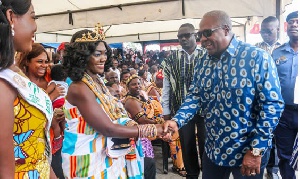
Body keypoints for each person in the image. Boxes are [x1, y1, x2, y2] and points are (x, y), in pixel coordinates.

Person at [163, 10, 284, 179]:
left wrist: (256, 150)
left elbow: (272, 106)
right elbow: (195, 96)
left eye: (207, 33)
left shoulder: (257, 58)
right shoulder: (203, 61)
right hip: (214, 150)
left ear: (226, 30)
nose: (203, 39)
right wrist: (177, 120)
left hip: (248, 151)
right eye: (200, 34)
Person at [62, 28, 164, 178]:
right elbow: (108, 129)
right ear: (81, 57)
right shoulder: (79, 88)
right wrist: (153, 130)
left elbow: (115, 114)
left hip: (108, 154)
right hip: (87, 159)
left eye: (105, 53)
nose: (103, 58)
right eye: (97, 54)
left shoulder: (98, 81)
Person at [0, 0, 57, 178]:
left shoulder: (14, 74)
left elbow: (38, 148)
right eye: (33, 17)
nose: (35, 27)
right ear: (11, 17)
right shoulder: (3, 85)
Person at [161, 23, 205, 178]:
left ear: (196, 36)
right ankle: (192, 175)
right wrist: (166, 112)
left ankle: (207, 174)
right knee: (187, 146)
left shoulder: (206, 55)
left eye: (187, 35)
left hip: (205, 110)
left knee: (206, 145)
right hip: (181, 112)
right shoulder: (171, 59)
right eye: (180, 36)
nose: (184, 39)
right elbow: (166, 88)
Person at [16, 43, 66, 178]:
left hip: (56, 137)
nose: (44, 65)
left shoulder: (50, 79)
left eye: (46, 62)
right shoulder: (20, 84)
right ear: (27, 61)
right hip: (31, 143)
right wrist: (52, 96)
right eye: (39, 61)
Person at [272, 11, 298, 179]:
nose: (294, 24)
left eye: (298, 21)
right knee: (285, 155)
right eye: (291, 22)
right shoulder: (277, 53)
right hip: (284, 113)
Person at [255, 16, 281, 179]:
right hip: (261, 103)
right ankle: (266, 166)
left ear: (278, 29)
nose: (264, 34)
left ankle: (274, 169)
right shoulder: (256, 49)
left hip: (281, 101)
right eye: (262, 31)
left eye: (268, 31)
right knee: (265, 134)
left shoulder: (285, 48)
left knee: (279, 139)